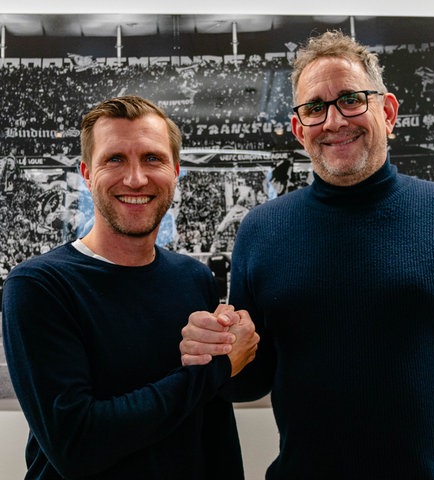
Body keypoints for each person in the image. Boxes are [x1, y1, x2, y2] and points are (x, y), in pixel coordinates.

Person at [180, 30, 434, 479]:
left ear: (389, 111)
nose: (335, 121)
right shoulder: (261, 230)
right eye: (315, 108)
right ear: (300, 130)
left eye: (351, 99)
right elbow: (250, 380)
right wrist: (216, 351)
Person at [2, 95, 259, 480]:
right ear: (87, 173)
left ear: (176, 171)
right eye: (115, 159)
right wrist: (218, 367)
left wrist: (238, 348)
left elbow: (212, 423)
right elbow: (78, 445)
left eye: (152, 158)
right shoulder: (39, 286)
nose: (136, 178)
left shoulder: (194, 278)